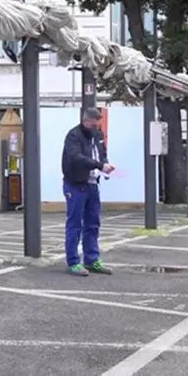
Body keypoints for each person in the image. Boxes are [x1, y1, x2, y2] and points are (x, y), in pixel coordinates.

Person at [61, 107, 115, 276]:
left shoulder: (98, 136)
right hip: (75, 184)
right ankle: (73, 262)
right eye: (94, 126)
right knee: (75, 224)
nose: (97, 129)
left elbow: (102, 153)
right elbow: (76, 158)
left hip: (92, 184)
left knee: (93, 223)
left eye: (98, 126)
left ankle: (91, 260)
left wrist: (105, 165)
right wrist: (100, 165)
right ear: (86, 122)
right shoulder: (73, 136)